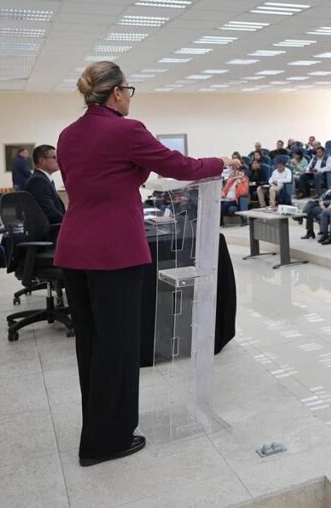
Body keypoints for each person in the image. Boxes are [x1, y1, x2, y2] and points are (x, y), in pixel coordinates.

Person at [53, 61, 225, 467]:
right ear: (116, 93)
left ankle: (97, 430)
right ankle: (106, 442)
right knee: (119, 347)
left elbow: (102, 178)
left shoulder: (67, 134)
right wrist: (221, 164)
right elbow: (180, 167)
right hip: (114, 250)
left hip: (75, 249)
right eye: (129, 89)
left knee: (92, 346)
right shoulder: (127, 130)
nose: (130, 96)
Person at [23, 144, 66, 225]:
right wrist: (68, 222)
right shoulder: (38, 181)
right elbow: (49, 212)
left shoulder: (44, 179)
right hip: (48, 233)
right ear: (42, 160)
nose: (58, 160)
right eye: (54, 157)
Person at [305, 173, 331, 241]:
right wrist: (321, 202)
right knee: (310, 205)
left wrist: (324, 203)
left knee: (310, 209)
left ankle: (303, 219)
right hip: (322, 206)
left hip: (330, 208)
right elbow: (322, 196)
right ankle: (310, 231)